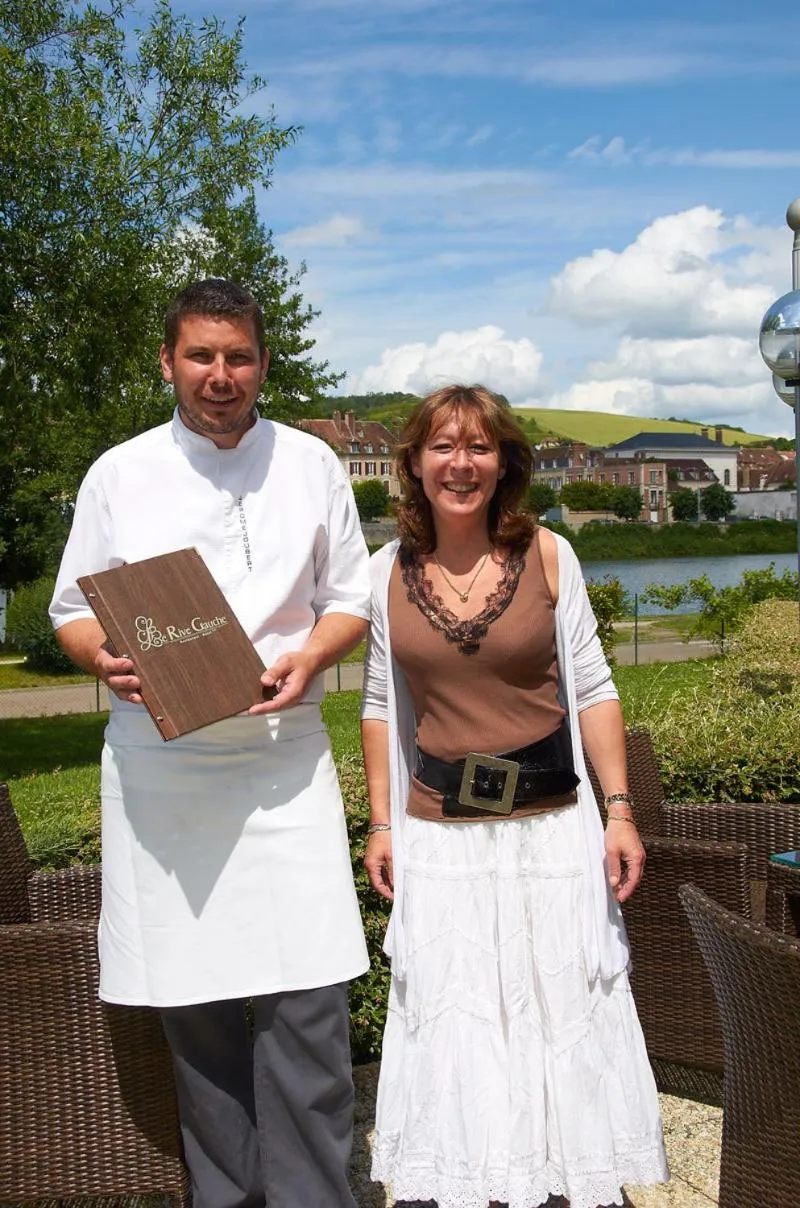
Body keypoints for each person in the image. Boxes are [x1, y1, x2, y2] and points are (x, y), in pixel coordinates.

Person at [50, 279, 371, 1208]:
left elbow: (348, 596)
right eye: (201, 356)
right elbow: (72, 608)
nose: (220, 376)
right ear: (168, 362)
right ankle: (227, 1199)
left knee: (309, 1001)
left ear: (264, 363)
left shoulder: (313, 463)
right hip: (164, 768)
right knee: (195, 1010)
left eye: (238, 357)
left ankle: (315, 1199)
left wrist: (312, 656)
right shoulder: (119, 473)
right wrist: (103, 658)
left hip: (283, 757)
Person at [361, 384, 669, 1208]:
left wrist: (620, 810)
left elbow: (595, 686)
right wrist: (381, 822)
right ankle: (475, 1181)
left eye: (479, 448)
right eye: (443, 447)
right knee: (458, 1012)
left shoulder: (550, 555)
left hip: (550, 827)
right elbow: (381, 703)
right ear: (416, 465)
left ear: (504, 464)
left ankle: (561, 1178)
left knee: (554, 1004)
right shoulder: (383, 572)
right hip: (442, 832)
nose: (461, 464)